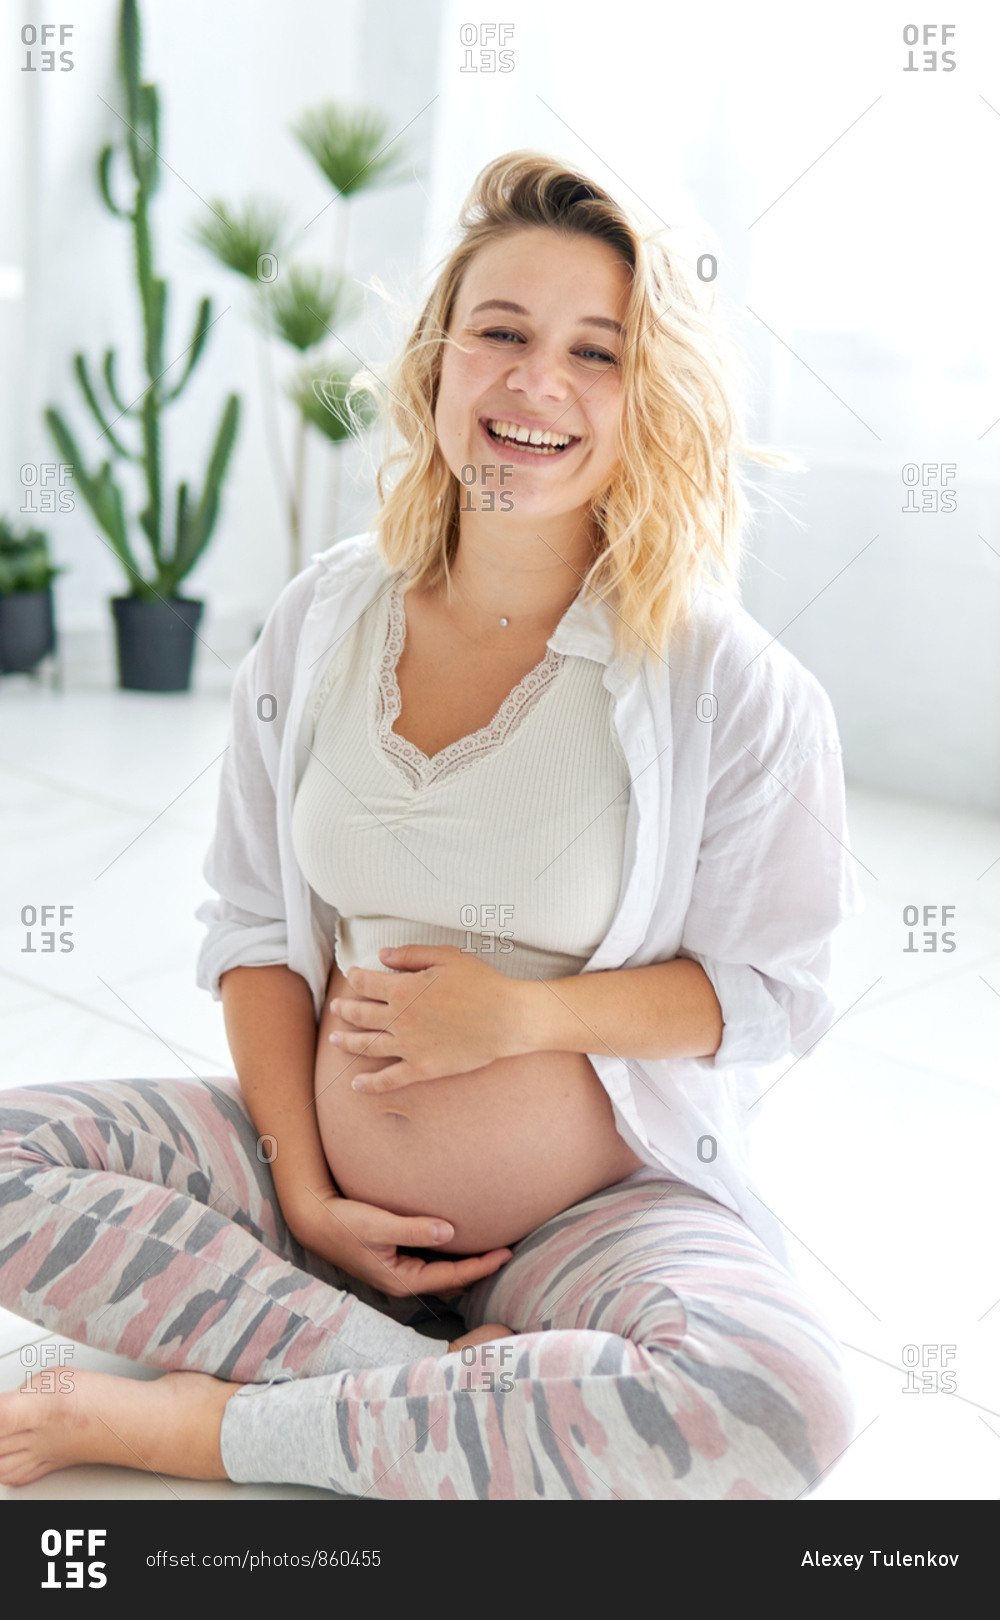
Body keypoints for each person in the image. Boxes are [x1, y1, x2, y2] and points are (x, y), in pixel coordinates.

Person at [0, 151, 864, 1500]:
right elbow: (251, 932)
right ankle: (436, 1373)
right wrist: (303, 1188)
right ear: (437, 364)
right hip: (313, 1187)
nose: (536, 384)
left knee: (776, 1402)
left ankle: (206, 1427)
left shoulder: (726, 684)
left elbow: (774, 990)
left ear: (651, 403)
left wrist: (522, 1020)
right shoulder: (321, 622)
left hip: (585, 1218)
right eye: (502, 334)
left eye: (598, 353)